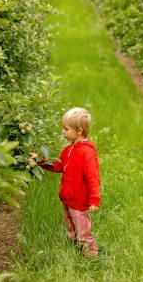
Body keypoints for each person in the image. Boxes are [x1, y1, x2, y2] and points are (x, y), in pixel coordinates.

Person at [29, 107, 101, 257]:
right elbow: (59, 166)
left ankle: (91, 256)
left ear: (79, 131)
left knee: (83, 230)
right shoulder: (69, 150)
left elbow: (93, 177)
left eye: (66, 129)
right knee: (71, 228)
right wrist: (40, 162)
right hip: (67, 200)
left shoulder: (86, 152)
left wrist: (94, 199)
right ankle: (76, 251)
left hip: (79, 201)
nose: (62, 132)